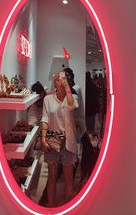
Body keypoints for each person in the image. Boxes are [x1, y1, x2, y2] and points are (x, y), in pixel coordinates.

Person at [40, 71, 78, 207]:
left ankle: (68, 206)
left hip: (68, 140)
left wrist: (67, 85)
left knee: (68, 177)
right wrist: (43, 138)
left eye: (63, 78)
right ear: (54, 83)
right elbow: (44, 118)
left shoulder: (72, 96)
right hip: (53, 139)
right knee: (52, 176)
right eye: (57, 79)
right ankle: (51, 204)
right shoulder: (47, 99)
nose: (60, 81)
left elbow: (72, 105)